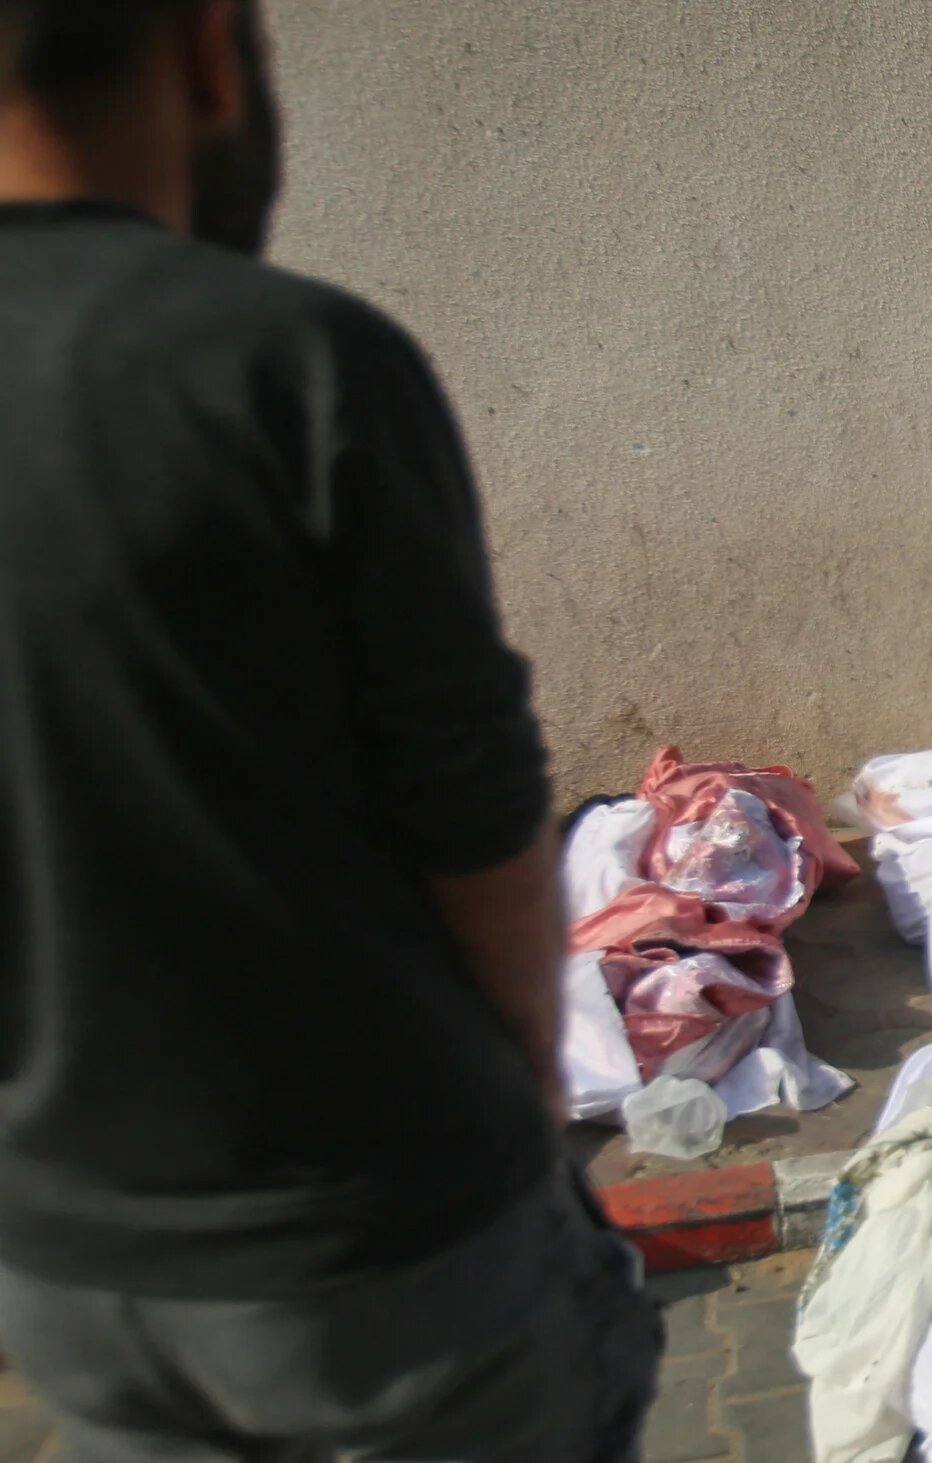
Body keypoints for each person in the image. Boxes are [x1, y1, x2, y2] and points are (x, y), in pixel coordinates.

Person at [0, 2, 662, 1457]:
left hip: (66, 1267)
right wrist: (525, 1088)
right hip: (382, 1254)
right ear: (201, 55)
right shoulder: (290, 365)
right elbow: (476, 810)